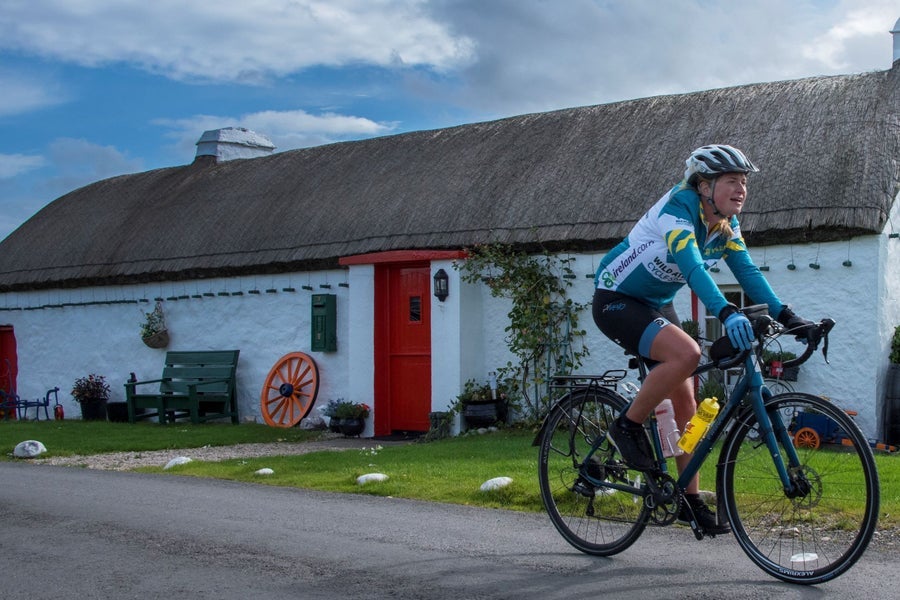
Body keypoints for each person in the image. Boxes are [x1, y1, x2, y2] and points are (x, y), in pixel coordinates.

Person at [592, 144, 813, 534]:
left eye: (744, 182)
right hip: (617, 299)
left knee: (687, 398)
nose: (741, 189)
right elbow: (693, 268)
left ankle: (689, 501)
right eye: (732, 181)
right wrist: (726, 312)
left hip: (656, 303)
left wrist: (789, 317)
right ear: (704, 185)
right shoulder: (678, 208)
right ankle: (626, 425)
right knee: (688, 353)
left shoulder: (726, 225)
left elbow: (747, 272)